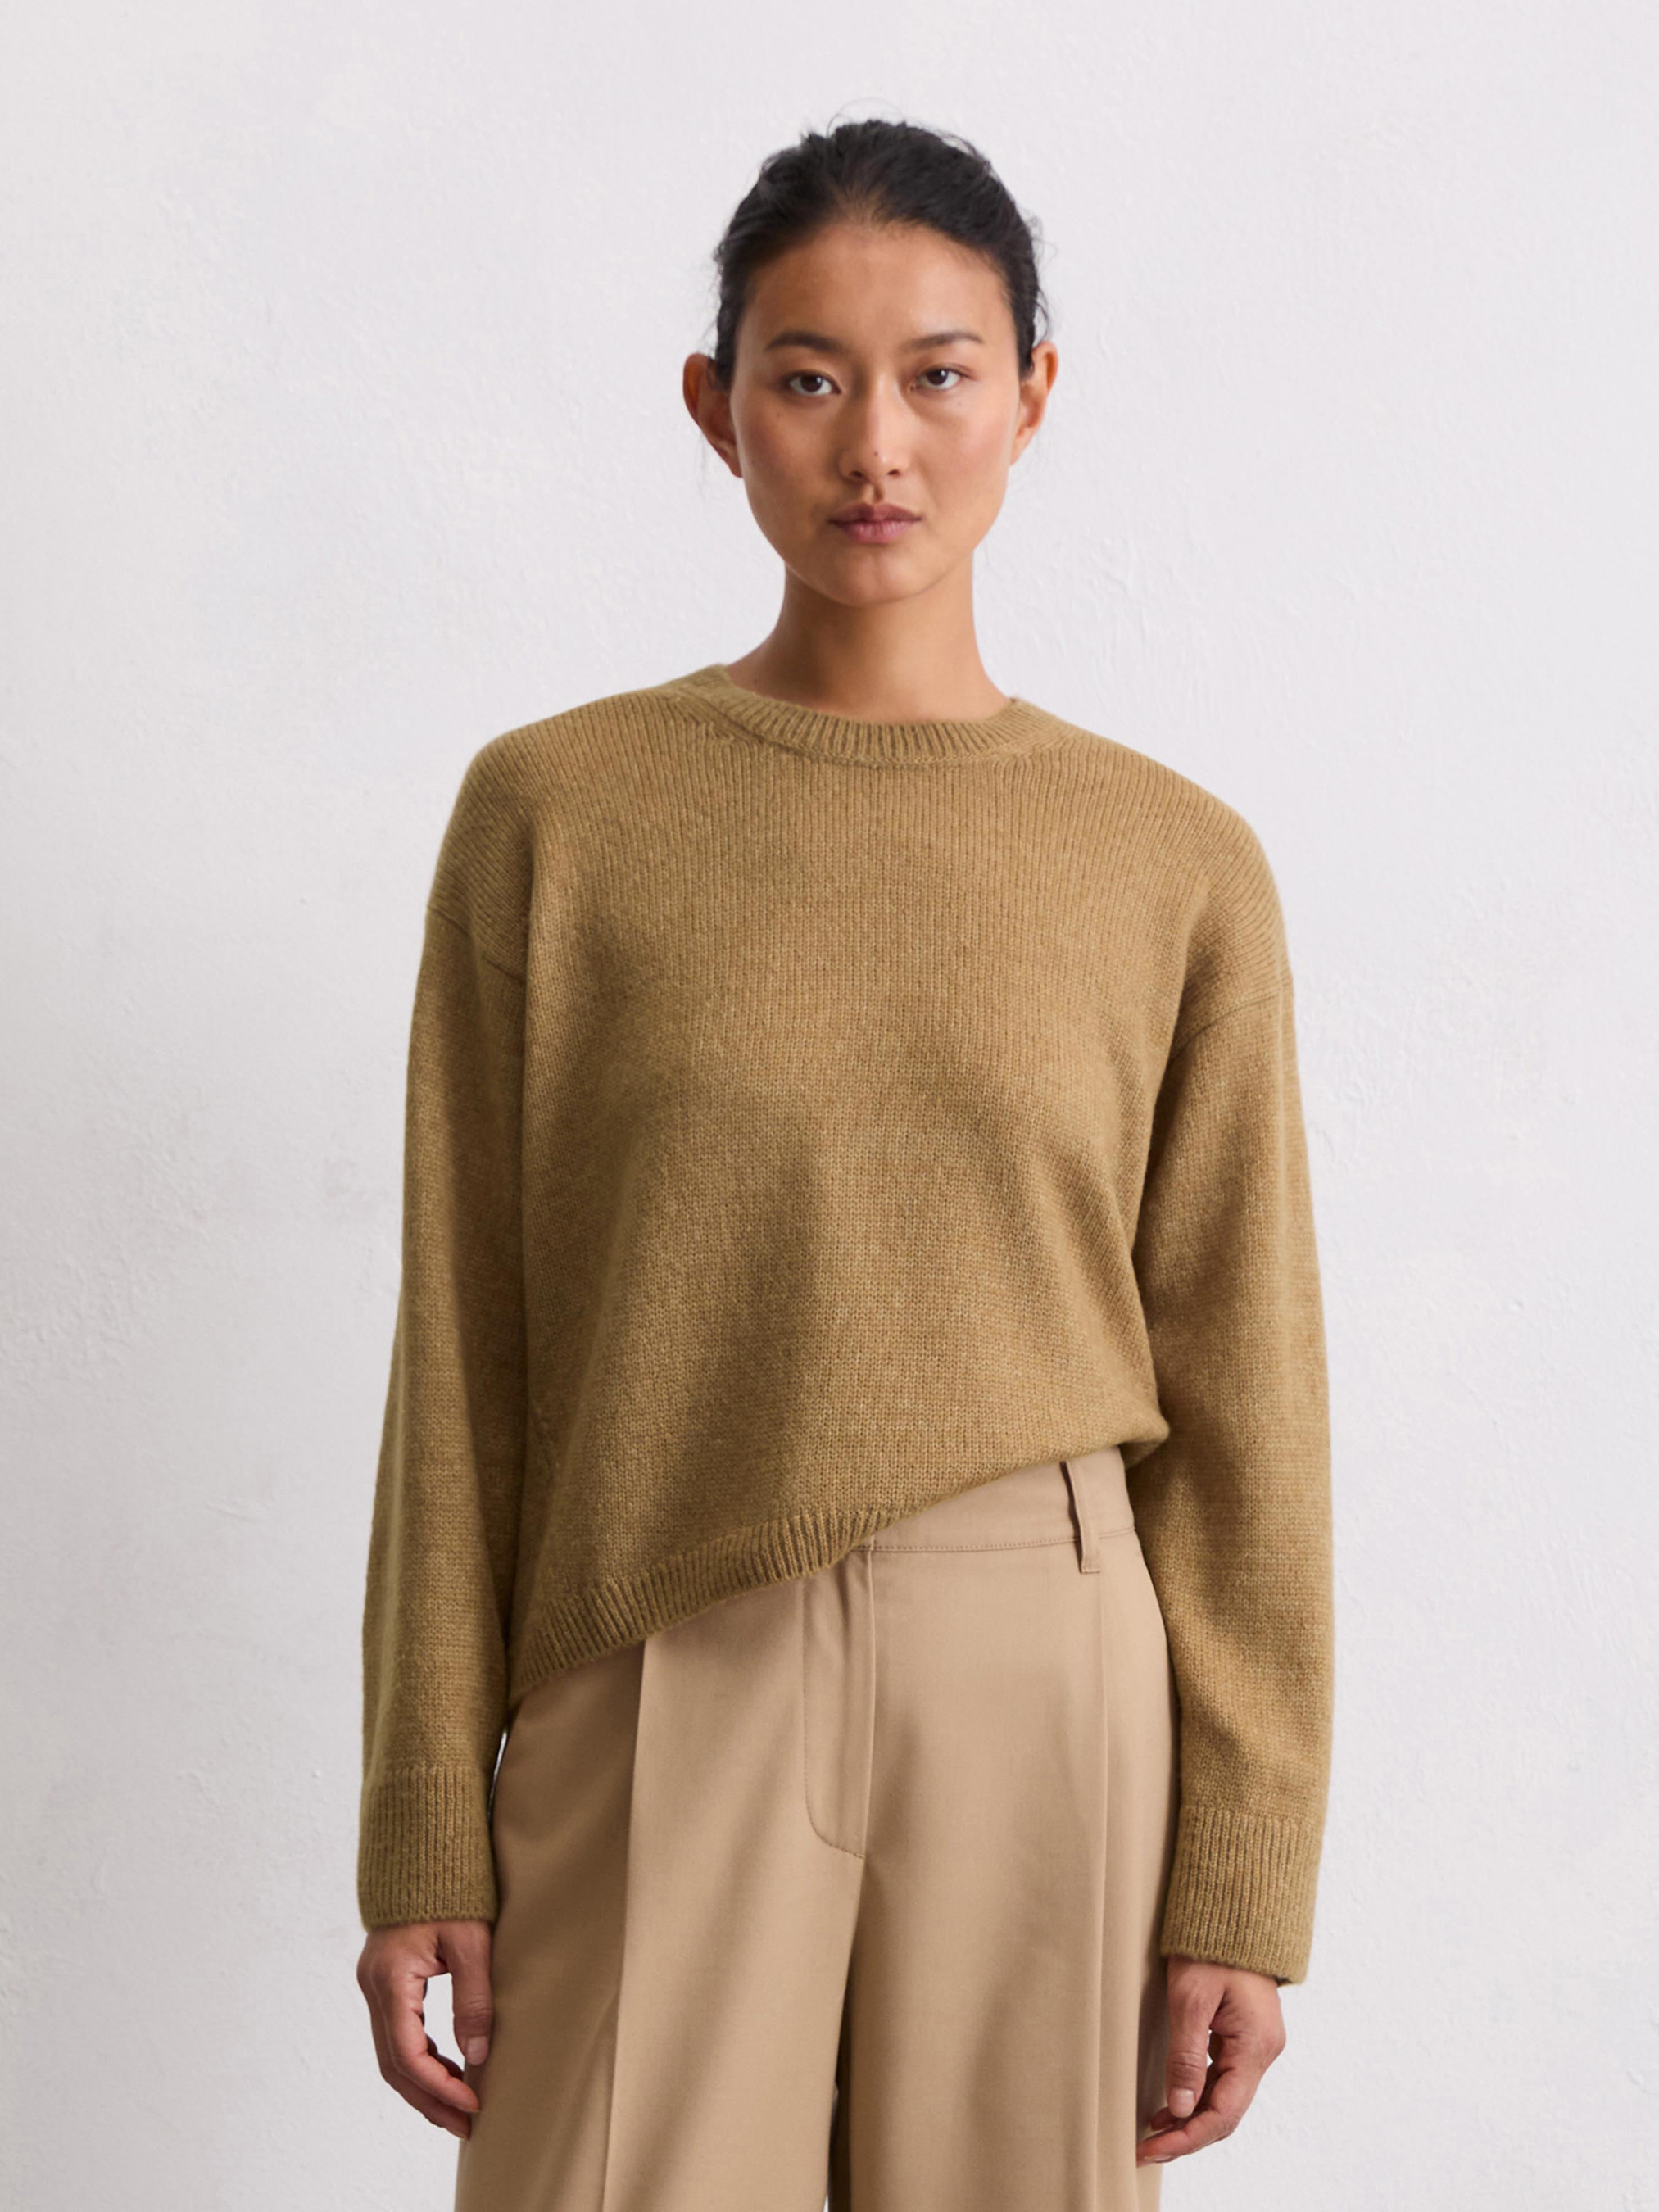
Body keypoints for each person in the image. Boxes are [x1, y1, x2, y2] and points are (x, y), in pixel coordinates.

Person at [353, 116, 1334, 2212]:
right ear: (713, 409)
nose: (874, 444)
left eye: (937, 374)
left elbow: (1244, 1402)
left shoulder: (1170, 862)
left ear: (1030, 396)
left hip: (1043, 1663)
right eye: (805, 377)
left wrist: (1244, 1872)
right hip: (655, 1644)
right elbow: (464, 1351)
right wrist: (425, 1813)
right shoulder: (557, 815)